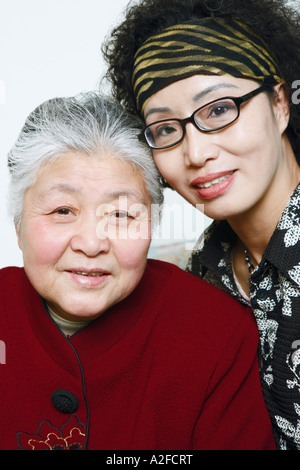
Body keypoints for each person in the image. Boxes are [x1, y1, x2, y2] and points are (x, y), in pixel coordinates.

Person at [0, 92, 275, 450]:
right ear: (19, 225)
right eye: (62, 211)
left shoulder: (218, 333)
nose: (92, 243)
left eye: (120, 215)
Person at [102, 0, 300, 449]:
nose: (195, 154)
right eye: (166, 129)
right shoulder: (201, 273)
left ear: (280, 103)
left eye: (218, 110)